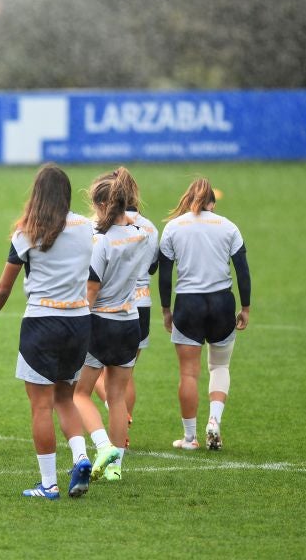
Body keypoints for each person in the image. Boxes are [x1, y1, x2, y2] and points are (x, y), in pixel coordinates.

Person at [0, 164, 94, 500]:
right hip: (79, 320)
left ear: (37, 194)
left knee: (41, 406)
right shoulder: (87, 227)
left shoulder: (27, 233)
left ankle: (49, 483)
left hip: (42, 321)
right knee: (65, 398)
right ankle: (81, 457)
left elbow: (2, 288)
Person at [159, 177, 250, 451]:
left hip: (189, 305)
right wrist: (245, 307)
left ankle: (189, 438)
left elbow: (165, 275)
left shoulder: (173, 228)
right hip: (222, 303)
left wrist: (166, 309)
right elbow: (242, 270)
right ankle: (214, 420)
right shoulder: (228, 226)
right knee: (220, 367)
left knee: (188, 374)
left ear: (187, 200)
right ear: (212, 202)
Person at [73, 168, 152, 482]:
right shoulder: (139, 235)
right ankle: (116, 467)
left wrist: (79, 323)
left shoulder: (101, 242)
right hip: (129, 321)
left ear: (104, 206)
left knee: (80, 394)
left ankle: (102, 446)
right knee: (117, 397)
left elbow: (92, 290)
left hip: (100, 322)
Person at [92, 173, 159, 435]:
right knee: (124, 377)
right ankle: (122, 432)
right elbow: (153, 266)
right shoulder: (147, 229)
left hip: (105, 307)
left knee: (90, 380)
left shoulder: (98, 229)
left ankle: (110, 422)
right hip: (138, 306)